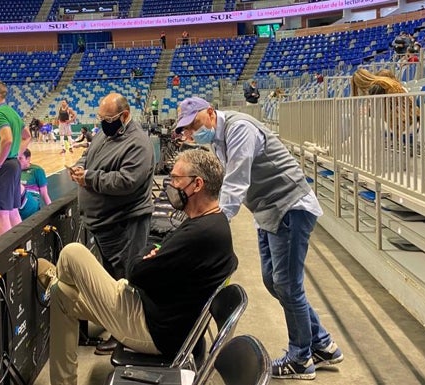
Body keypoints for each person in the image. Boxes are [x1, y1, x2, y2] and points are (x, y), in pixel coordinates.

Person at [174, 97, 343, 380]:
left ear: (211, 113)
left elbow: (237, 183)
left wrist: (213, 224)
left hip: (289, 207)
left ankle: (301, 357)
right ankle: (322, 343)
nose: (192, 131)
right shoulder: (218, 139)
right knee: (273, 281)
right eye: (187, 128)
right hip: (268, 210)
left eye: (195, 123)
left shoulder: (240, 129)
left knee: (288, 286)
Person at [42, 149, 238, 385]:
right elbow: (153, 264)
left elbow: (135, 272)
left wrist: (148, 254)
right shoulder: (211, 224)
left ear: (197, 184)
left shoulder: (200, 234)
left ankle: (55, 276)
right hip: (152, 310)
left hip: (151, 329)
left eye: (176, 179)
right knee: (62, 294)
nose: (170, 184)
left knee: (72, 253)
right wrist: (152, 255)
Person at [68, 92, 155, 354]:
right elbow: (89, 157)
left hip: (125, 225)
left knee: (124, 282)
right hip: (105, 225)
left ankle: (126, 336)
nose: (103, 123)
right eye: (101, 118)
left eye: (107, 118)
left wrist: (89, 178)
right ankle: (116, 326)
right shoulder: (106, 135)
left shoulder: (138, 143)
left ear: (124, 116)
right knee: (111, 281)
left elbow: (126, 181)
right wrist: (79, 166)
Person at [0, 80, 31, 235]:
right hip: (14, 165)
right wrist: (17, 153)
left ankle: (7, 256)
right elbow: (27, 136)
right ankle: (21, 247)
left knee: (1, 214)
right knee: (13, 211)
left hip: (4, 167)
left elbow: (7, 139)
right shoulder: (13, 113)